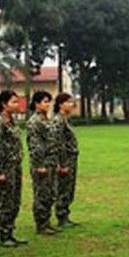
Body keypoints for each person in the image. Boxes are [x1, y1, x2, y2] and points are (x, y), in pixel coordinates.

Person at [0, 90, 27, 247]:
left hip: (15, 166)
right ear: (4, 104)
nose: (16, 104)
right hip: (5, 168)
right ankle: (4, 233)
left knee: (14, 200)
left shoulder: (12, 121)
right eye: (13, 102)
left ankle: (10, 231)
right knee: (6, 201)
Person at [27, 91, 59, 235]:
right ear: (37, 104)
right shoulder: (34, 122)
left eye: (49, 102)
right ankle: (41, 224)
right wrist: (39, 165)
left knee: (50, 193)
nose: (48, 104)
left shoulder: (47, 119)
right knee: (41, 194)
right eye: (45, 102)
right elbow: (35, 145)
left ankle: (46, 221)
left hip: (51, 161)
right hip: (42, 164)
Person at [52, 92, 80, 228]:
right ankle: (61, 216)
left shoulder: (66, 119)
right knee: (63, 188)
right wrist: (61, 164)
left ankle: (65, 215)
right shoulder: (58, 121)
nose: (72, 104)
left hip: (71, 158)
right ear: (60, 104)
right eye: (68, 102)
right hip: (65, 160)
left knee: (69, 188)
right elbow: (58, 144)